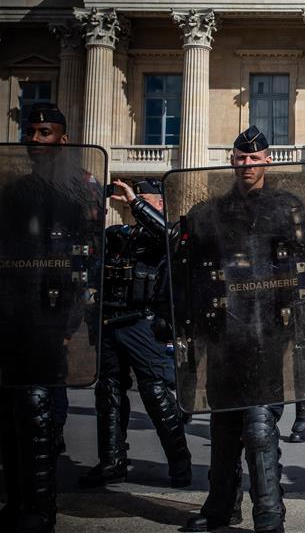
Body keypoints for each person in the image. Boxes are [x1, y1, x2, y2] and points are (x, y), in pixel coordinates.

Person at [180, 127, 305, 533]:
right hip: (223, 330)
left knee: (258, 421)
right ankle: (221, 507)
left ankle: (269, 512)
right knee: (223, 423)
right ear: (232, 160)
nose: (247, 164)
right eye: (241, 158)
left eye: (255, 158)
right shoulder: (210, 212)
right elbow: (194, 271)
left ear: (267, 160)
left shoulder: (286, 207)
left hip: (269, 328)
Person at [0, 103, 104, 533]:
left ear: (62, 139)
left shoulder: (78, 191)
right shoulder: (11, 191)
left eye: (45, 133)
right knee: (9, 410)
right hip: (10, 315)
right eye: (31, 132)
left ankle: (41, 509)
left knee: (38, 408)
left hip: (49, 316)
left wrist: (71, 324)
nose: (35, 140)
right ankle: (17, 500)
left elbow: (84, 263)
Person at [77, 178, 192, 488]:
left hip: (142, 322)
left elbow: (170, 236)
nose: (133, 200)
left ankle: (180, 463)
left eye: (143, 197)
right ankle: (112, 460)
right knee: (109, 393)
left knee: (155, 392)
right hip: (111, 321)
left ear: (159, 203)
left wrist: (135, 203)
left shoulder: (164, 234)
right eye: (133, 196)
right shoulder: (119, 235)